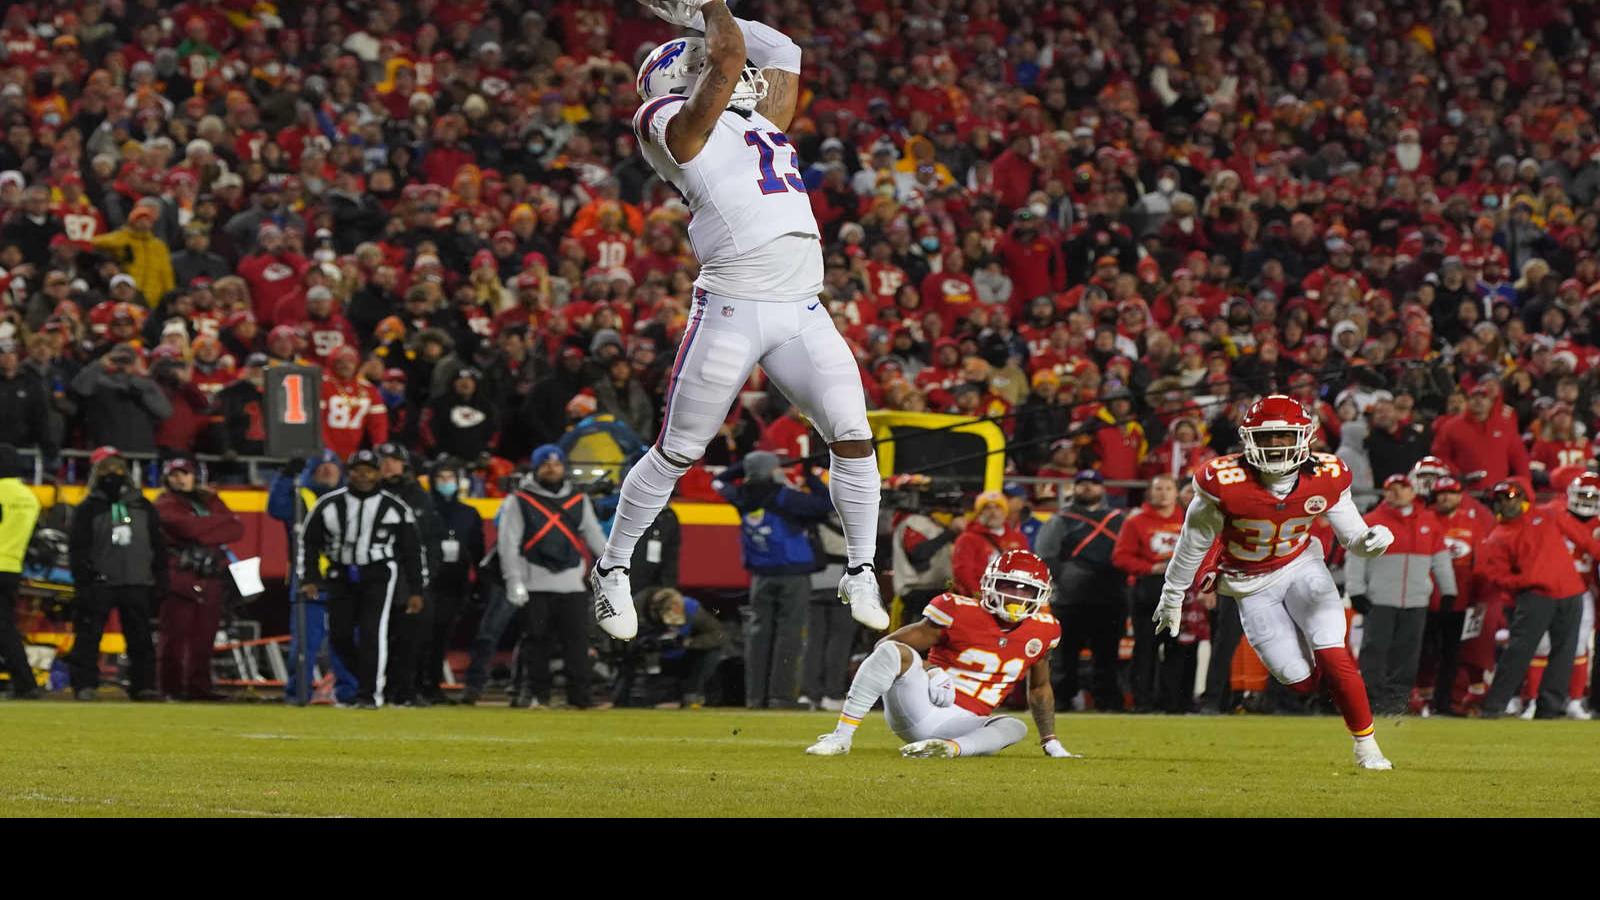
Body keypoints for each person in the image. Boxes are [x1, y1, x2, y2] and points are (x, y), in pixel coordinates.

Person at [591, 1, 888, 642]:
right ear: (679, 82)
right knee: (678, 451)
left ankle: (861, 568)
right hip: (733, 306)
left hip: (802, 306)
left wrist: (701, 25)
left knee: (854, 436)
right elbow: (727, 59)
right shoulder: (665, 119)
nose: (730, 70)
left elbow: (781, 50)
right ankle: (613, 567)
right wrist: (709, 8)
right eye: (700, 64)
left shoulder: (751, 123)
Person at [1157, 395, 1399, 769]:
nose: (1275, 445)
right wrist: (1172, 596)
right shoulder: (1221, 481)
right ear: (1247, 438)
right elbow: (1192, 545)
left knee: (1333, 650)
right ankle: (1333, 685)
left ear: (1304, 436)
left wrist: (1371, 542)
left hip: (1301, 566)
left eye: (1284, 436)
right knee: (1297, 679)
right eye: (1266, 437)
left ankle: (1367, 746)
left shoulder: (1328, 474)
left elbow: (1354, 537)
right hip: (1250, 585)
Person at [806, 550, 1076, 760]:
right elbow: (887, 647)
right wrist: (931, 671)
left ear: (1041, 593)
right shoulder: (956, 609)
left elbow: (1040, 688)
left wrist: (1050, 740)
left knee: (1015, 726)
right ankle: (841, 737)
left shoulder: (1045, 630)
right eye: (1007, 586)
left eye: (1025, 590)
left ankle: (948, 749)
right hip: (922, 702)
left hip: (965, 725)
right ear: (990, 584)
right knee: (892, 652)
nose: (1016, 596)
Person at [296, 449, 427, 709]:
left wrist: (416, 589)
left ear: (378, 473)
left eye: (369, 470)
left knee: (372, 633)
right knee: (338, 635)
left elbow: (412, 550)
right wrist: (309, 577)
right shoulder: (329, 505)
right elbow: (309, 543)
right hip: (340, 573)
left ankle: (368, 694)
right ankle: (370, 677)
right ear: (349, 473)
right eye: (358, 470)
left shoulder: (394, 507)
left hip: (377, 573)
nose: (364, 475)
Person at [714, 451, 832, 709]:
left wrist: (745, 468)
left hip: (760, 575)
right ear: (771, 470)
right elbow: (826, 505)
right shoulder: (785, 496)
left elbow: (718, 480)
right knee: (789, 635)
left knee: (758, 636)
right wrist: (809, 476)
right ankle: (781, 697)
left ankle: (755, 697)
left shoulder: (740, 496)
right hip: (793, 574)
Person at [1477, 480, 1600, 719]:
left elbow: (1583, 539)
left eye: (1511, 496)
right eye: (1502, 498)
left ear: (1522, 497)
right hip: (1536, 597)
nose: (1508, 502)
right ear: (1496, 504)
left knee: (1564, 653)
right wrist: (1525, 582)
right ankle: (1495, 705)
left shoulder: (1548, 514)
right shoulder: (1499, 536)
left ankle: (1550, 708)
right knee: (1519, 651)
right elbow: (1493, 574)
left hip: (1571, 592)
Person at [497, 445, 607, 708]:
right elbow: (508, 544)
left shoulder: (579, 501)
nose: (552, 467)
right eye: (545, 464)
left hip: (571, 583)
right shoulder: (519, 500)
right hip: (534, 582)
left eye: (557, 464)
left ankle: (580, 699)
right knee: (536, 644)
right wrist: (514, 580)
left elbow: (597, 540)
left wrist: (611, 572)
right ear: (536, 467)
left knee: (577, 646)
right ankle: (537, 696)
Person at [1345, 474, 1456, 716]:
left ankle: (1396, 702)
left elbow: (1441, 560)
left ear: (1412, 492)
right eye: (1391, 489)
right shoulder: (1372, 522)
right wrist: (1356, 590)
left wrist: (1448, 591)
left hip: (1416, 600)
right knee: (1375, 651)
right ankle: (1372, 700)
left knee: (1408, 653)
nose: (1396, 493)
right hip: (1380, 599)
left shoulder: (1429, 522)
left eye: (1401, 488)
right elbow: (1356, 558)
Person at [67, 446, 166, 701]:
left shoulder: (143, 507)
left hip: (136, 581)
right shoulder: (89, 509)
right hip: (101, 581)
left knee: (140, 638)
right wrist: (84, 580)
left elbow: (158, 545)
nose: (113, 474)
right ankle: (85, 684)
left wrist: (159, 578)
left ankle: (144, 685)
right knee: (89, 637)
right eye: (107, 469)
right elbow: (78, 548)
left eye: (118, 469)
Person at [267, 450, 357, 705]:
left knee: (346, 643)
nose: (327, 471)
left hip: (343, 579)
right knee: (304, 646)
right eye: (321, 467)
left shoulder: (351, 500)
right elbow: (275, 507)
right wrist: (285, 477)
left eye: (332, 466)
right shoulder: (299, 499)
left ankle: (349, 694)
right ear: (311, 472)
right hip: (308, 580)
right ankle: (298, 694)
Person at [153, 456, 244, 701]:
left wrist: (200, 528)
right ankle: (171, 689)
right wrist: (213, 527)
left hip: (210, 576)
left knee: (204, 639)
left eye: (184, 473)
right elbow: (186, 528)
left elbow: (237, 528)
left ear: (195, 476)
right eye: (174, 475)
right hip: (181, 577)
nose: (179, 479)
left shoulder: (209, 500)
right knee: (174, 638)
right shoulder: (165, 502)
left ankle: (199, 689)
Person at [1035, 471, 1126, 712]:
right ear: (1073, 489)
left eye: (1093, 484)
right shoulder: (1060, 520)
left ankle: (1107, 701)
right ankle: (1062, 701)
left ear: (1102, 488)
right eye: (1082, 484)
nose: (1087, 488)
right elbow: (1046, 556)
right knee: (1066, 656)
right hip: (1070, 598)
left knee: (1107, 656)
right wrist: (1066, 578)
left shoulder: (1120, 520)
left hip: (1110, 596)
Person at [375, 442, 442, 706]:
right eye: (384, 460)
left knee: (412, 638)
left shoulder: (419, 496)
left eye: (394, 460)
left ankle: (406, 690)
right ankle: (378, 689)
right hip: (378, 576)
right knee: (377, 637)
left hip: (410, 578)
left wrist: (427, 575)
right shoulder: (370, 495)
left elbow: (432, 539)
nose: (389, 465)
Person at [1112, 473, 1185, 712]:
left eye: (1168, 488)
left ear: (1176, 493)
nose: (1163, 493)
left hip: (1183, 589)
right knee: (1146, 647)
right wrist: (1150, 567)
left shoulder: (1188, 519)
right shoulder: (1136, 521)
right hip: (1148, 586)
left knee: (1179, 647)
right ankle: (1142, 701)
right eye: (1158, 488)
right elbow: (1120, 557)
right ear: (1149, 493)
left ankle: (1173, 702)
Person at [416, 458, 484, 705]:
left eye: (450, 478)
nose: (446, 483)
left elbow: (477, 551)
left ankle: (432, 686)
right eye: (441, 478)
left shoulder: (468, 514)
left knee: (441, 637)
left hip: (454, 583)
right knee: (421, 636)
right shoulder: (425, 511)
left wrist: (478, 586)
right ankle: (416, 686)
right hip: (428, 582)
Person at [615, 587, 729, 708]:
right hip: (650, 659)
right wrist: (646, 643)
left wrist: (688, 642)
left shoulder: (691, 609)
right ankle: (631, 696)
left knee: (713, 652)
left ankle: (693, 692)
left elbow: (719, 635)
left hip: (683, 657)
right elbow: (621, 644)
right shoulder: (635, 612)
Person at [889, 479, 962, 626]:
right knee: (915, 639)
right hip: (917, 592)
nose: (950, 509)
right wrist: (949, 534)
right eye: (946, 505)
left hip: (940, 590)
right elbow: (919, 554)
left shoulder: (940, 524)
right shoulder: (915, 522)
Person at [0, 444, 42, 698]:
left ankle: (26, 684)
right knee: (5, 628)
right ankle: (25, 682)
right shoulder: (28, 497)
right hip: (12, 566)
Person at [951, 490, 1029, 596]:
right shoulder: (967, 539)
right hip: (977, 600)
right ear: (979, 512)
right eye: (987, 508)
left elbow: (1026, 569)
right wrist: (981, 595)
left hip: (1009, 599)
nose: (993, 512)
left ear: (1005, 512)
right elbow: (963, 573)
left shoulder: (1019, 539)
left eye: (998, 507)